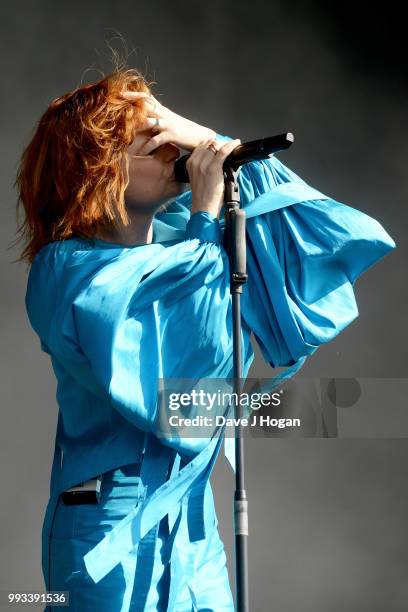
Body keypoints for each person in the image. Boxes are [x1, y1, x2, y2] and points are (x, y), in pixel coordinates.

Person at [16, 67, 395, 611]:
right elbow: (184, 376)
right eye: (144, 136)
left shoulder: (193, 243)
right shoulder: (65, 270)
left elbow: (318, 230)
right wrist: (203, 218)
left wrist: (207, 140)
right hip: (109, 528)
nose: (167, 144)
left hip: (193, 531)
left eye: (161, 125)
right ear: (96, 166)